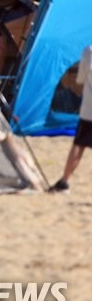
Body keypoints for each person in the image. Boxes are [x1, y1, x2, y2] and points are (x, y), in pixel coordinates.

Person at [52, 44, 92, 192]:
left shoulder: (89, 50)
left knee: (79, 144)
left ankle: (65, 181)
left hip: (89, 110)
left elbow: (81, 79)